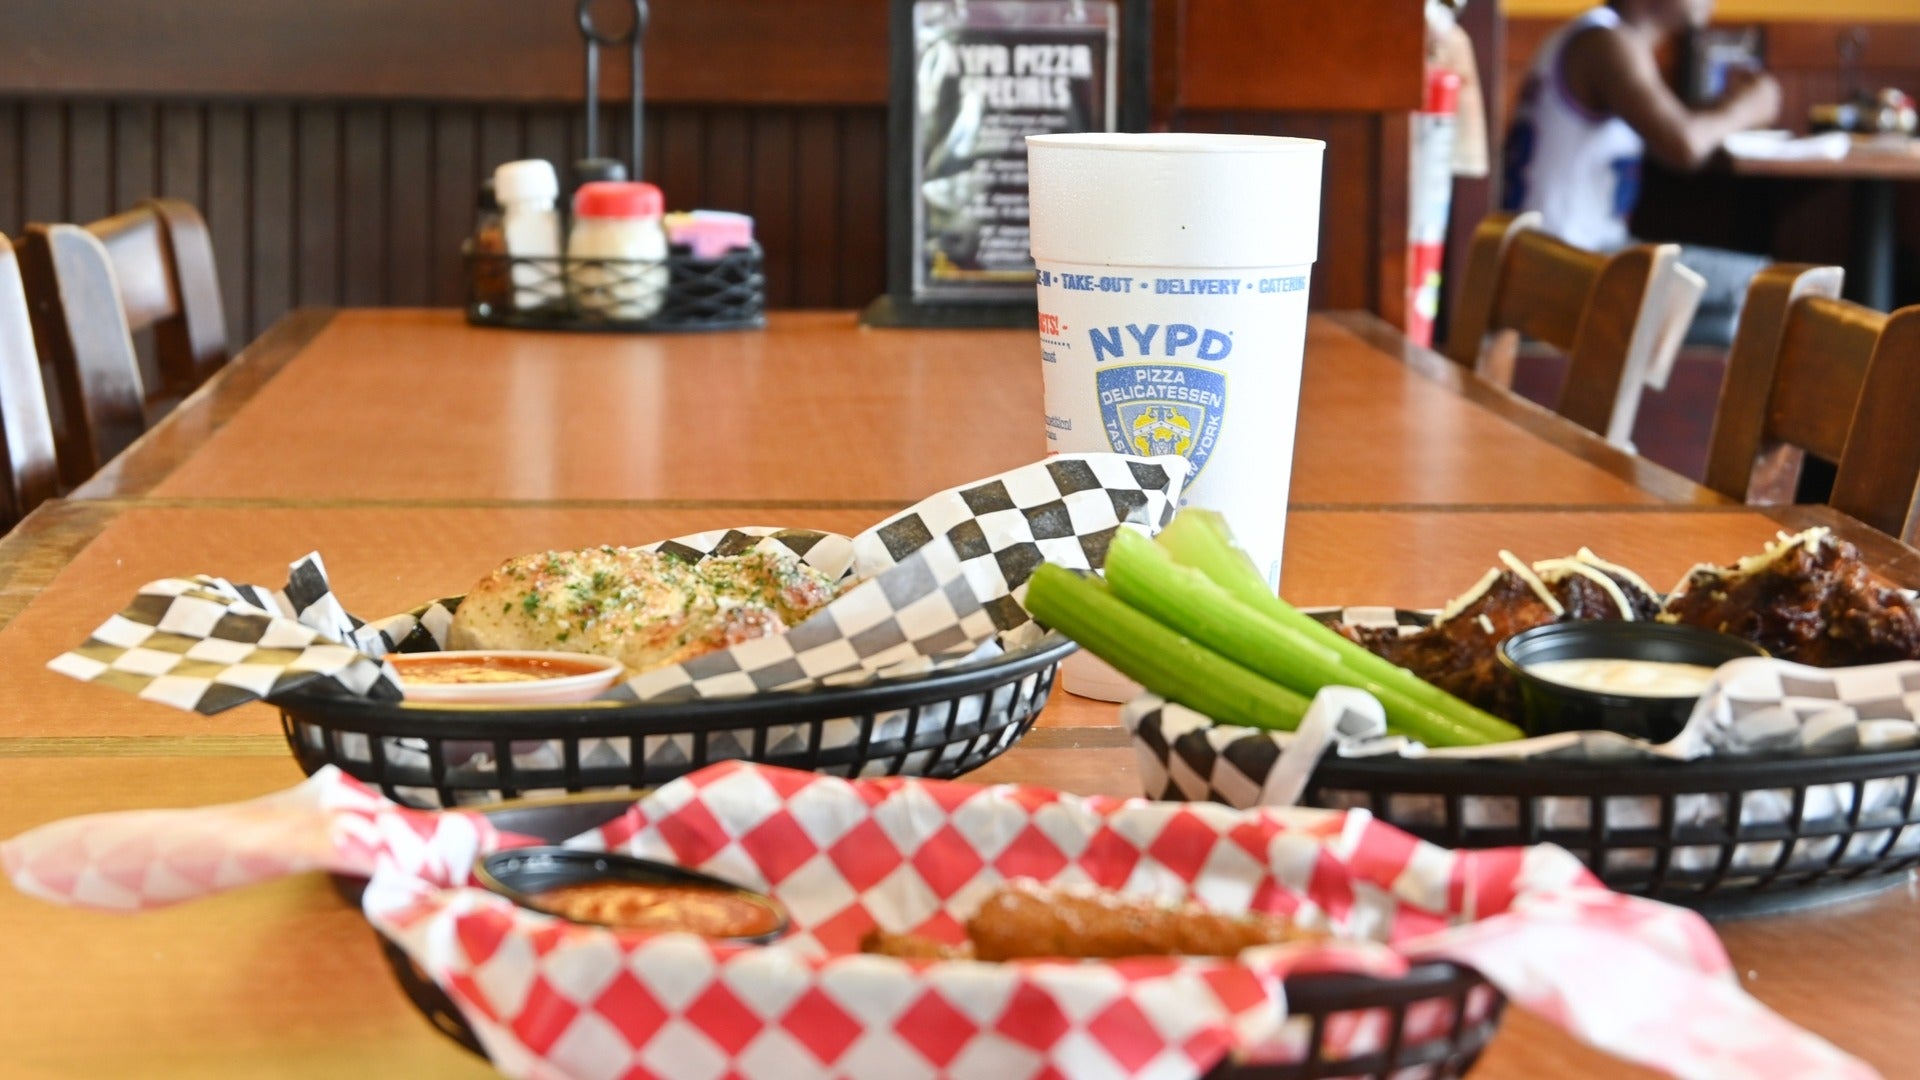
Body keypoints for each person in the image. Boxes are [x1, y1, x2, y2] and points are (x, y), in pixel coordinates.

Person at [1501, 0, 1782, 343]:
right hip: (1566, 266)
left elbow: (1668, 126)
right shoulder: (1606, 42)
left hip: (1553, 259)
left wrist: (1726, 107)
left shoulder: (1591, 35)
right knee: (1774, 288)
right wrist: (1749, 108)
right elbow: (1684, 143)